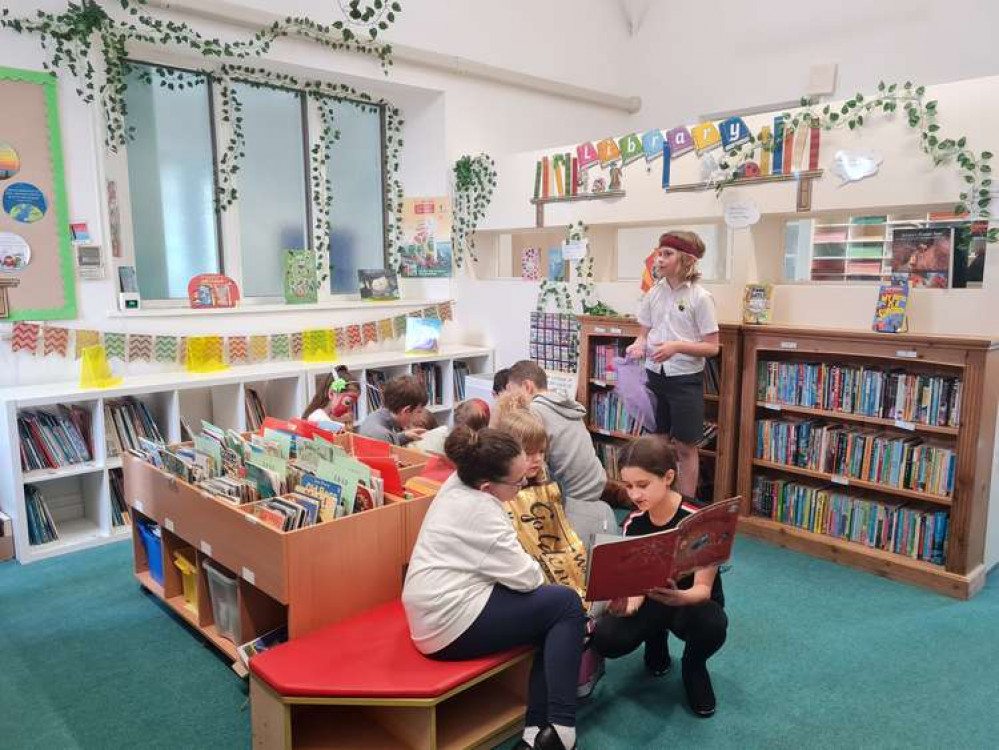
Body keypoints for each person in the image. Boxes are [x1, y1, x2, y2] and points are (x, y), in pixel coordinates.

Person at [403, 427, 585, 750]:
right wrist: (526, 562)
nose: (523, 485)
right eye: (517, 482)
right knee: (567, 605)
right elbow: (529, 578)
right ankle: (563, 729)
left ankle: (536, 733)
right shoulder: (481, 512)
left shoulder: (461, 479)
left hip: (433, 605)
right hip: (447, 625)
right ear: (488, 487)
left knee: (552, 619)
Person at [590, 435, 727, 718]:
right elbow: (635, 582)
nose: (634, 495)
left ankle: (693, 666)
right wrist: (628, 603)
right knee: (605, 637)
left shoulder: (701, 518)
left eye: (643, 485)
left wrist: (679, 597)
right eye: (628, 486)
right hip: (652, 599)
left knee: (713, 624)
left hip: (691, 602)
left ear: (668, 477)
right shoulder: (632, 522)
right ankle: (656, 636)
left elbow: (703, 589)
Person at [625, 231, 720, 497]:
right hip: (655, 377)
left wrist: (676, 347)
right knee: (657, 443)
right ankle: (658, 497)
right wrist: (639, 344)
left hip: (684, 380)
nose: (660, 258)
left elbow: (712, 347)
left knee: (686, 447)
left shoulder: (700, 298)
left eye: (667, 254)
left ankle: (686, 505)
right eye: (659, 252)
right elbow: (644, 332)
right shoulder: (654, 293)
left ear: (687, 260)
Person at [505, 360, 618, 549]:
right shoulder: (567, 406)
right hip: (597, 487)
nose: (509, 397)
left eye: (510, 390)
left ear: (527, 386)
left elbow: (538, 471)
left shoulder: (534, 411)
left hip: (570, 499)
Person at [357, 374, 428, 445]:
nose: (419, 417)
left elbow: (388, 440)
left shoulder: (375, 415)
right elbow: (384, 441)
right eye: (418, 412)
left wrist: (405, 436)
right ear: (406, 411)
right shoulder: (380, 435)